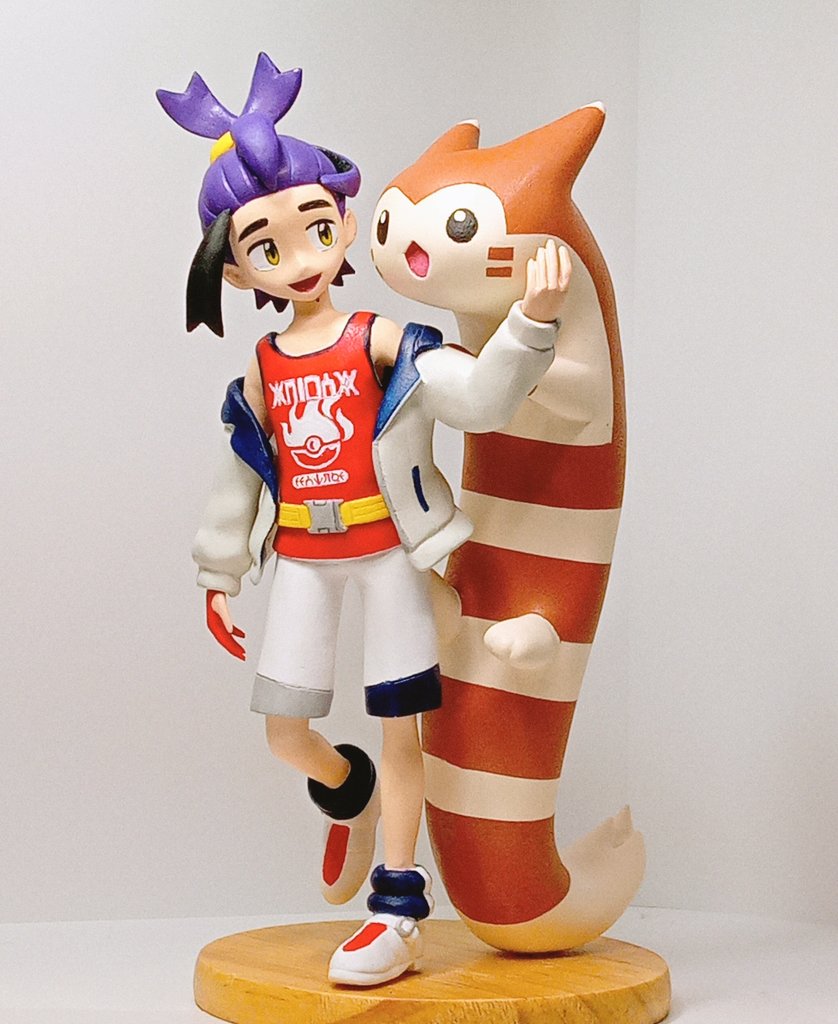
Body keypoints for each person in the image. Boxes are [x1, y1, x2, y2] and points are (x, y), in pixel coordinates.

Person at [157, 53, 569, 986]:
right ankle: (349, 792)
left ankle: (397, 909)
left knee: (400, 724)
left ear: (344, 220)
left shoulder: (377, 339)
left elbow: (476, 398)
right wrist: (219, 573)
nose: (302, 259)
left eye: (315, 227)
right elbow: (240, 472)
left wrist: (529, 325)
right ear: (236, 268)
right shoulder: (265, 367)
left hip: (387, 551)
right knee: (285, 731)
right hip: (304, 555)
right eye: (267, 247)